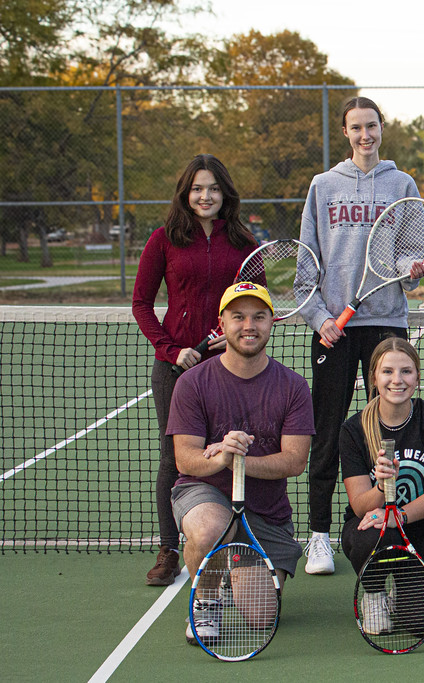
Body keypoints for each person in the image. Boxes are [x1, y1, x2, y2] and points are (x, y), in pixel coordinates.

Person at [299, 97, 424, 575]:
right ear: (346, 132)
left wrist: (410, 269)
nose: (364, 136)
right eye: (356, 128)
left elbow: (407, 262)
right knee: (327, 431)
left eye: (371, 126)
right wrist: (318, 317)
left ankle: (390, 520)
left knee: (389, 429)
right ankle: (318, 536)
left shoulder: (401, 184)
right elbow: (307, 263)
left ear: (381, 128)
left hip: (386, 324)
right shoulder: (323, 186)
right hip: (335, 328)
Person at [132, 154, 257, 586]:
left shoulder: (243, 241)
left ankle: (231, 536)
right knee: (176, 456)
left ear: (225, 194)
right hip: (175, 369)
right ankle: (170, 548)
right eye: (198, 189)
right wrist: (171, 350)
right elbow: (141, 304)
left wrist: (235, 331)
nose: (206, 197)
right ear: (186, 193)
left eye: (214, 189)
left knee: (230, 449)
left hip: (227, 367)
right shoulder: (163, 240)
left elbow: (255, 300)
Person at [167, 282, 315, 645]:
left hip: (266, 512)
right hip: (205, 493)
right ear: (222, 323)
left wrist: (238, 461)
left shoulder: (293, 387)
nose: (249, 325)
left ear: (271, 323)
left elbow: (295, 462)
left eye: (259, 317)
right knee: (209, 531)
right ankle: (206, 600)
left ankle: (233, 565)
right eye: (239, 317)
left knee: (262, 617)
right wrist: (221, 457)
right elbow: (185, 458)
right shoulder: (192, 383)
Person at [338, 337, 424, 636]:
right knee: (370, 534)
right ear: (374, 378)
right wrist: (381, 488)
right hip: (372, 525)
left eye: (406, 371)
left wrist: (399, 515)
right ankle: (375, 594)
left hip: (419, 526)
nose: (397, 380)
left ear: (417, 377)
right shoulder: (354, 430)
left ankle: (402, 597)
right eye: (388, 372)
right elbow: (359, 505)